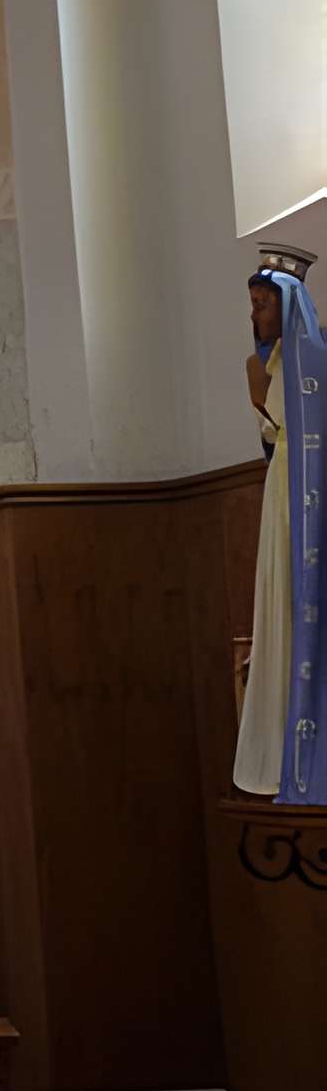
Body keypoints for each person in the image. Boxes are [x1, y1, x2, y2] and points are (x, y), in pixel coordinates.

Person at [234, 255, 327, 803]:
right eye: (252, 305)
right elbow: (269, 443)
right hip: (282, 489)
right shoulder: (256, 366)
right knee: (283, 601)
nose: (255, 314)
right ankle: (280, 752)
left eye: (262, 304)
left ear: (288, 306)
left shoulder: (317, 357)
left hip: (316, 480)